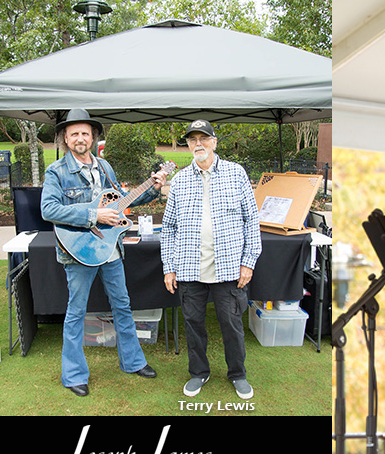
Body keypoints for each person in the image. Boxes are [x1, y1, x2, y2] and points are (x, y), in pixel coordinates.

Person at [40, 109, 163, 397]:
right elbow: (49, 210)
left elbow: (121, 201)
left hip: (110, 249)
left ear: (94, 137)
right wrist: (93, 215)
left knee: (123, 305)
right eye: (74, 134)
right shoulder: (56, 171)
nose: (80, 138)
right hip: (79, 250)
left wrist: (152, 188)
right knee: (76, 311)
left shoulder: (105, 166)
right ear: (65, 139)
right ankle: (73, 375)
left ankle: (132, 362)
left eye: (85, 133)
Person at [161, 120, 262, 400]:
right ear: (188, 145)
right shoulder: (180, 180)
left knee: (231, 325)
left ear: (215, 142)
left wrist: (248, 261)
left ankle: (238, 374)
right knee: (193, 324)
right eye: (192, 140)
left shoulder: (235, 173)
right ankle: (198, 373)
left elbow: (251, 219)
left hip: (228, 267)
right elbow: (168, 227)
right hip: (190, 268)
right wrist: (169, 268)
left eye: (203, 138)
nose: (198, 144)